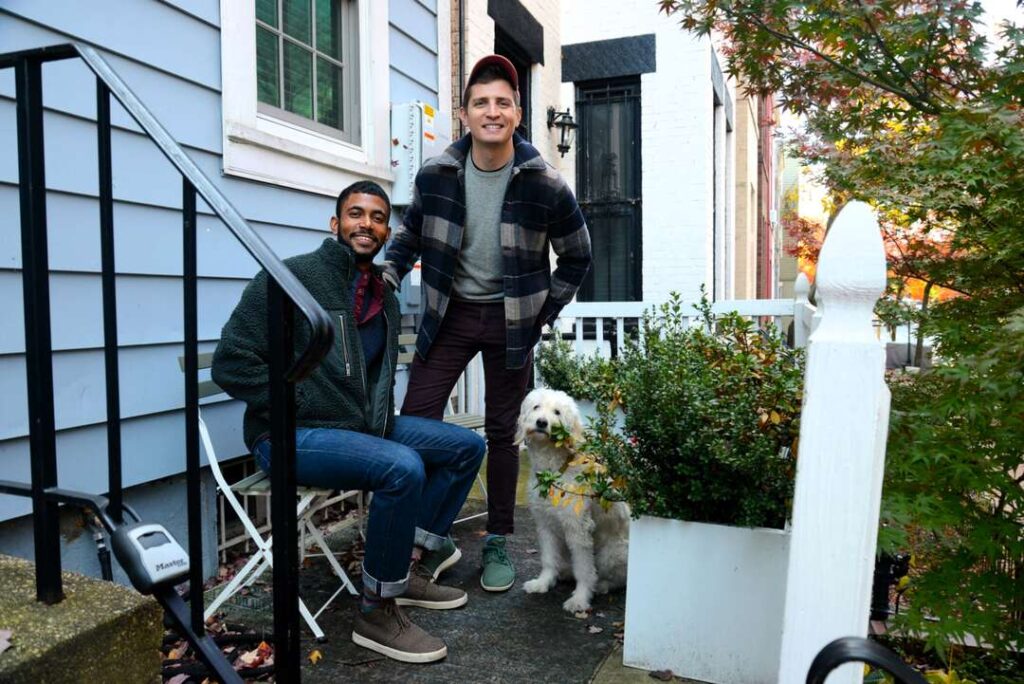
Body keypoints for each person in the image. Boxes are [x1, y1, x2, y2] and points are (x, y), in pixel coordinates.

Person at [212, 180, 486, 664]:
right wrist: (301, 401)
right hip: (289, 434)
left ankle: (409, 567)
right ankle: (375, 609)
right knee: (402, 467)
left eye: (378, 217)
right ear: (335, 224)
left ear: (386, 232)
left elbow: (370, 380)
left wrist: (372, 417)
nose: (367, 224)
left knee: (465, 447)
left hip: (359, 429)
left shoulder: (385, 296)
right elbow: (232, 363)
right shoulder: (291, 279)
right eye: (356, 214)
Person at [383, 55, 592, 592]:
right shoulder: (436, 173)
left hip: (511, 324)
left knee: (505, 434)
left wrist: (543, 311)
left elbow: (577, 256)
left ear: (517, 114)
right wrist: (381, 278)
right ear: (464, 112)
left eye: (502, 102)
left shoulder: (545, 182)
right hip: (447, 318)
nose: (491, 112)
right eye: (481, 103)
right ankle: (427, 537)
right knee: (416, 421)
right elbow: (408, 240)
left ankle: (498, 539)